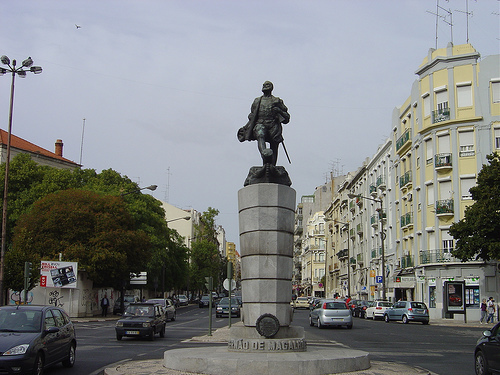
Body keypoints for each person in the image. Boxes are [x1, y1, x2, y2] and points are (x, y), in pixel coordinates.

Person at [238, 81, 290, 166]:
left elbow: (287, 118)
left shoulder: (277, 101)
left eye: (267, 85)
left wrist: (279, 110)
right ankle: (265, 154)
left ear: (271, 87)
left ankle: (271, 166)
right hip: (261, 124)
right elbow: (252, 115)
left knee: (274, 145)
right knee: (260, 133)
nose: (264, 86)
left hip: (273, 125)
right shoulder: (257, 101)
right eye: (264, 85)